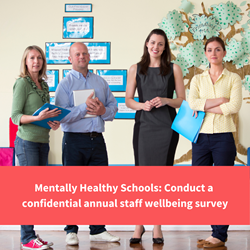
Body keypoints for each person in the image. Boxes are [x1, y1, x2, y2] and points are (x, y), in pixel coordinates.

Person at [55, 42, 120, 246]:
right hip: (74, 141)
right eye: (77, 54)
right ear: (70, 58)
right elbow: (61, 116)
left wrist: (103, 112)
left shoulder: (100, 82)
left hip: (97, 140)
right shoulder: (64, 84)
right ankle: (71, 230)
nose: (81, 57)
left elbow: (113, 108)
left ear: (89, 56)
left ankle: (97, 230)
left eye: (84, 53)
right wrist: (83, 108)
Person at [125, 29, 185, 244]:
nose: (155, 47)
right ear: (147, 44)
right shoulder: (135, 69)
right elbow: (128, 100)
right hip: (144, 127)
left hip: (167, 129)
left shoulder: (174, 69)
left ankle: (157, 226)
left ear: (164, 47)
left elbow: (182, 100)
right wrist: (143, 105)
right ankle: (139, 224)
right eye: (152, 43)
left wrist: (166, 100)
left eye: (160, 44)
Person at [189, 37, 242, 248]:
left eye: (218, 49)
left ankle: (219, 234)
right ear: (205, 53)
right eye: (210, 50)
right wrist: (221, 100)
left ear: (224, 52)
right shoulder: (197, 79)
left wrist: (205, 106)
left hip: (223, 137)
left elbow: (234, 107)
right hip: (200, 137)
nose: (214, 53)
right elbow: (192, 103)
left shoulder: (234, 78)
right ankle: (216, 232)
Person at [11, 45, 61, 249]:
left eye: (39, 58)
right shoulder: (22, 84)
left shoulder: (43, 85)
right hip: (27, 143)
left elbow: (43, 114)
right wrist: (37, 117)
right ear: (25, 61)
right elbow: (15, 117)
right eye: (32, 57)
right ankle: (26, 239)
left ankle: (31, 235)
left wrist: (51, 122)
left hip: (43, 142)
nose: (36, 61)